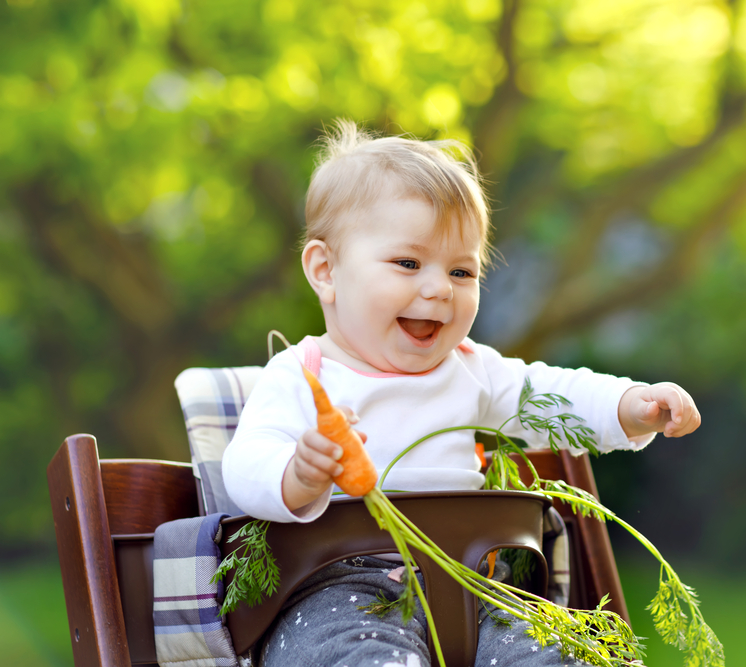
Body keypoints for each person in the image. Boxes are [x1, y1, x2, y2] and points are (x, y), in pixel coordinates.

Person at [222, 120, 701, 667]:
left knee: (553, 654)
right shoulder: (300, 375)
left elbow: (554, 396)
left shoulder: (473, 370)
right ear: (326, 271)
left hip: (473, 584)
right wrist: (297, 476)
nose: (438, 288)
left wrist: (631, 405)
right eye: (408, 263)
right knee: (348, 658)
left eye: (461, 270)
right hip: (336, 590)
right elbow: (245, 466)